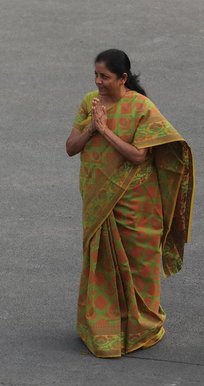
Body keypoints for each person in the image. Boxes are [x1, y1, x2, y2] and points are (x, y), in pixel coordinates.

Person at [65, 49, 194, 358]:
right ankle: (102, 325)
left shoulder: (141, 107)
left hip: (136, 204)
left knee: (139, 263)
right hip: (99, 199)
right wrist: (90, 127)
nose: (98, 82)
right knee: (101, 263)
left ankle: (142, 325)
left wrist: (105, 130)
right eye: (95, 75)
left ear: (123, 78)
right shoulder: (89, 104)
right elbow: (71, 147)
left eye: (105, 77)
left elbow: (139, 156)